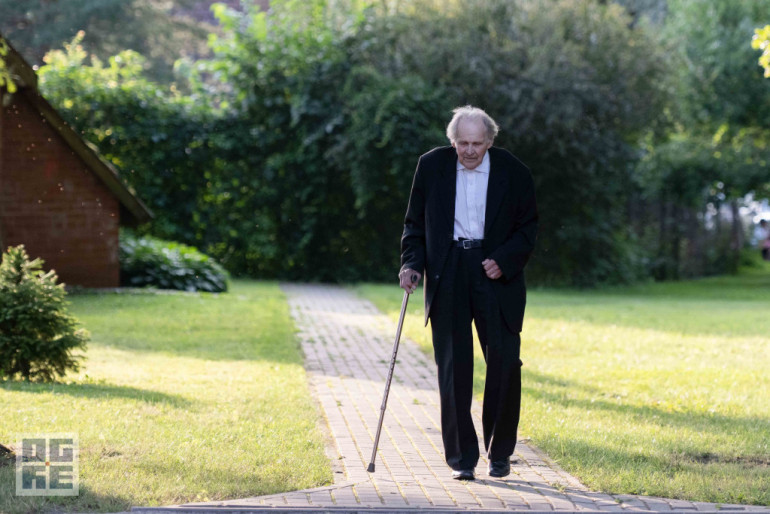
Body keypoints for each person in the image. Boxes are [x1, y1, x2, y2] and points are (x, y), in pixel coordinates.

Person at [399, 106, 538, 480]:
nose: (470, 151)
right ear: (453, 141)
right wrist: (411, 264)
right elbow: (415, 224)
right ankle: (462, 459)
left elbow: (528, 228)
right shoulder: (431, 166)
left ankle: (499, 453)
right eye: (463, 143)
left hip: (495, 274)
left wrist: (504, 260)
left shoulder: (514, 171)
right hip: (448, 271)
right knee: (454, 368)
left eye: (478, 144)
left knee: (505, 363)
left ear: (490, 142)